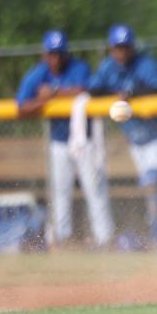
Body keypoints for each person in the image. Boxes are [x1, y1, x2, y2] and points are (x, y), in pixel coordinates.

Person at [88, 25, 157, 248]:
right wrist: (114, 94)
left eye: (126, 47)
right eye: (118, 48)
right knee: (153, 188)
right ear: (111, 49)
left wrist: (132, 93)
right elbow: (93, 90)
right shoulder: (108, 67)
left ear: (133, 47)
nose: (122, 52)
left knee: (153, 182)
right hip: (139, 141)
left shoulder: (146, 64)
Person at [15, 30, 114, 248]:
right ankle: (62, 239)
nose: (56, 58)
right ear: (45, 54)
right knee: (60, 192)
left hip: (85, 140)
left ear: (66, 53)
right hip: (59, 141)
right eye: (52, 53)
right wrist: (47, 99)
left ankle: (105, 239)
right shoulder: (39, 73)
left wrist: (52, 93)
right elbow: (21, 107)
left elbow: (85, 89)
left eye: (60, 53)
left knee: (95, 189)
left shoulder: (79, 67)